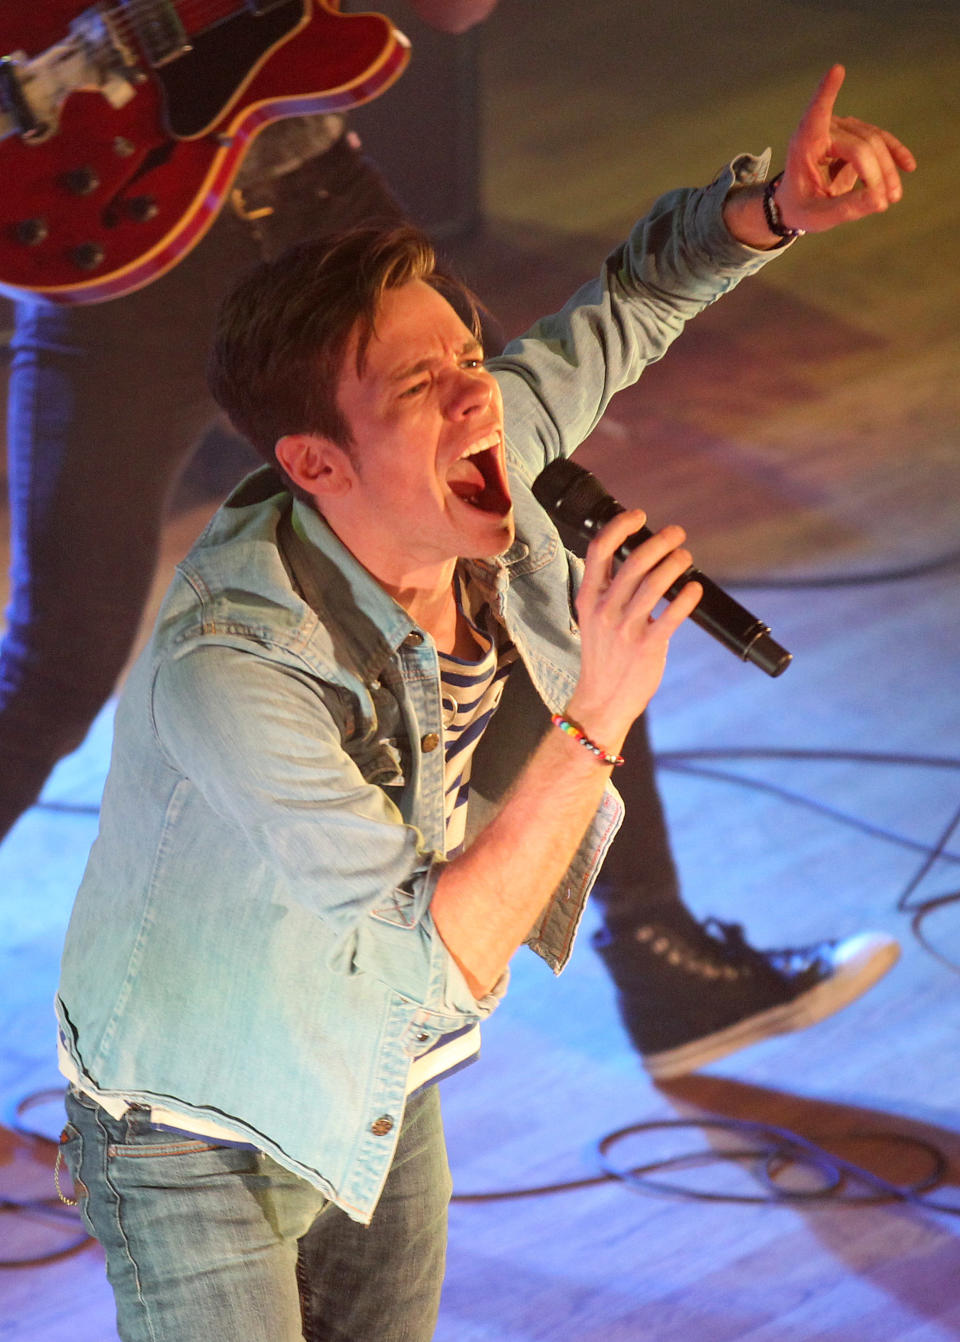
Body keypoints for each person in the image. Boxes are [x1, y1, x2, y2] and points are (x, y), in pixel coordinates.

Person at [54, 67, 914, 1339]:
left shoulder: (484, 437)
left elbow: (626, 302)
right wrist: (596, 715)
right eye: (421, 388)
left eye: (465, 353)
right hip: (191, 1127)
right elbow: (437, 956)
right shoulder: (235, 669)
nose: (478, 397)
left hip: (373, 1075)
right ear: (313, 464)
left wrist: (769, 210)